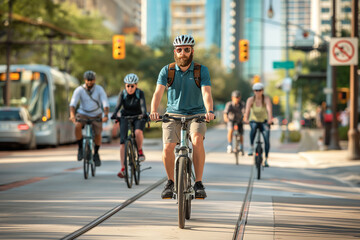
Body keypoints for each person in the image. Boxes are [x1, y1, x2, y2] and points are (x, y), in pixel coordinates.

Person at [149, 34, 215, 199]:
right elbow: (158, 93)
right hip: (172, 115)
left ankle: (198, 183)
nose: (183, 53)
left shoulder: (201, 70)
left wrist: (210, 111)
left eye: (187, 50)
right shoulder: (167, 70)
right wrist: (153, 110)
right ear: (175, 52)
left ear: (192, 51)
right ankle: (171, 182)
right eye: (179, 50)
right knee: (168, 147)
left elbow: (206, 93)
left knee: (197, 140)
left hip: (197, 114)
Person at [111, 73, 148, 178]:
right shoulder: (122, 94)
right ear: (125, 85)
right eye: (128, 86)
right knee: (122, 142)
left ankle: (140, 151)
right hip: (125, 116)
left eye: (132, 86)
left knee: (137, 132)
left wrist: (144, 114)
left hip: (138, 116)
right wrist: (114, 114)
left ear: (136, 85)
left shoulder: (140, 93)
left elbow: (143, 106)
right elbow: (118, 106)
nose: (130, 88)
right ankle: (123, 168)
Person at [69, 70, 109, 167]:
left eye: (91, 80)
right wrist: (72, 115)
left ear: (94, 80)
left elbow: (105, 103)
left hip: (96, 114)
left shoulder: (99, 89)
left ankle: (96, 154)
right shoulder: (79, 90)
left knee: (98, 133)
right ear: (84, 80)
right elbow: (73, 104)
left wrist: (106, 115)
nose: (90, 82)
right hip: (83, 113)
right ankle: (80, 148)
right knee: (77, 125)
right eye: (88, 80)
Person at [243, 82, 273, 167]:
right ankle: (251, 146)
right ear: (253, 91)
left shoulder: (266, 99)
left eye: (259, 90)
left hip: (264, 121)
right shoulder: (250, 100)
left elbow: (269, 110)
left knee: (267, 139)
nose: (258, 92)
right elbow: (247, 111)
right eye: (256, 90)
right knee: (253, 128)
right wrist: (246, 118)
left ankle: (266, 159)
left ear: (262, 91)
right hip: (254, 120)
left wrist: (270, 119)